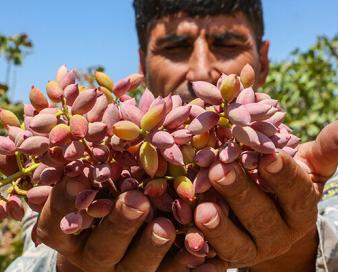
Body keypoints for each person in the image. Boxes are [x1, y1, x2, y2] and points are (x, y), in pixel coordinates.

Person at [5, 1, 338, 271]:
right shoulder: (71, 171)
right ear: (142, 62)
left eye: (227, 44)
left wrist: (295, 256)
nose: (201, 70)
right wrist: (69, 265)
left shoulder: (304, 170)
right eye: (175, 47)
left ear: (262, 60)